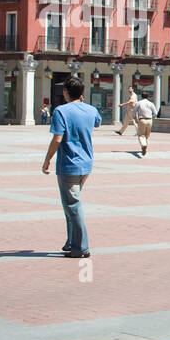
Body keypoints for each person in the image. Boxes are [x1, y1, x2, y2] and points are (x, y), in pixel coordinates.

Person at [41, 76, 101, 258]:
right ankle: (71, 242)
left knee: (73, 205)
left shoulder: (61, 111)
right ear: (81, 93)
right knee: (70, 204)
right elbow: (97, 122)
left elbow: (57, 138)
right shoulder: (91, 110)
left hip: (68, 164)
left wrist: (47, 160)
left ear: (66, 92)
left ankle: (81, 247)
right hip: (86, 163)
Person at [133, 91, 157, 157]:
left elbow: (134, 111)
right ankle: (145, 145)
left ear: (141, 96)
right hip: (149, 120)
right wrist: (152, 117)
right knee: (147, 135)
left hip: (142, 120)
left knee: (141, 135)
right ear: (148, 97)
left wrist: (135, 118)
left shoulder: (139, 103)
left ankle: (143, 145)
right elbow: (155, 113)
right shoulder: (151, 103)